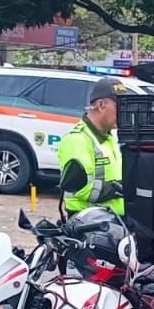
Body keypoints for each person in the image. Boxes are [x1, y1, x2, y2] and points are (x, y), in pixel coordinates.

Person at [57, 77, 130, 215]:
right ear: (101, 105)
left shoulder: (109, 138)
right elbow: (85, 189)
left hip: (109, 220)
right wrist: (123, 187)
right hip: (89, 222)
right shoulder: (77, 140)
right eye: (119, 107)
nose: (123, 112)